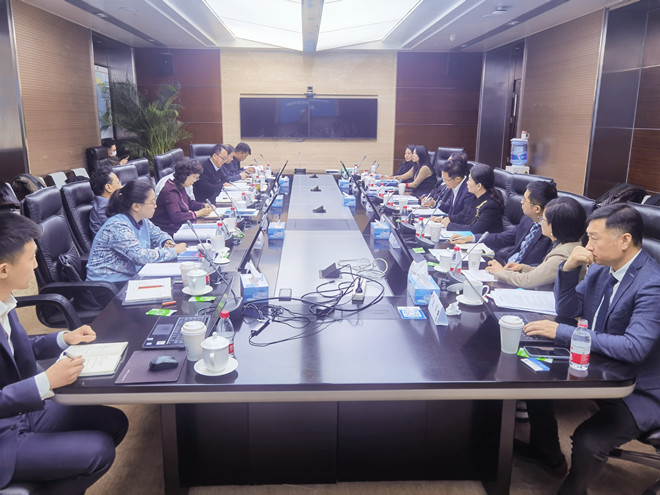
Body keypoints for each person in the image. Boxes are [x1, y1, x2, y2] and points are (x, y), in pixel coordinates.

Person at [520, 204, 660, 494]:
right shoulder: (603, 268)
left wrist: (564, 332)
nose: (588, 245)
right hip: (602, 367)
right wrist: (568, 268)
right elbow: (569, 309)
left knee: (588, 440)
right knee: (534, 377)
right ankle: (546, 450)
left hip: (641, 387)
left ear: (624, 240)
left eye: (594, 237)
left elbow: (634, 348)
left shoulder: (652, 284)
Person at [0, 212, 128, 492]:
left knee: (114, 422)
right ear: (3, 270)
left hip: (22, 411)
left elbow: (15, 349)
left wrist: (64, 338)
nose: (37, 265)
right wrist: (45, 381)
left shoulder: (5, 300)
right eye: (31, 258)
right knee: (98, 451)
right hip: (3, 436)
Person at [86, 180, 187, 285]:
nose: (155, 206)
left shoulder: (142, 220)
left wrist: (166, 242)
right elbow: (140, 257)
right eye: (152, 202)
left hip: (130, 278)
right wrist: (173, 251)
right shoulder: (117, 226)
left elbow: (159, 234)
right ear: (136, 206)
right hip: (107, 285)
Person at [485, 197, 586, 289]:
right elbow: (545, 273)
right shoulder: (568, 245)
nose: (540, 222)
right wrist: (523, 268)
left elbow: (527, 281)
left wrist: (500, 272)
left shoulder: (563, 255)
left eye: (543, 219)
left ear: (554, 226)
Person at [452, 180, 557, 266]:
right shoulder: (527, 219)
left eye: (525, 200)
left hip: (520, 276)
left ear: (537, 209)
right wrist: (471, 238)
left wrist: (506, 273)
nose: (521, 202)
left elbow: (540, 269)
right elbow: (502, 237)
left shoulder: (552, 233)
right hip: (506, 265)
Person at [434, 162, 504, 234]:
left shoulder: (490, 206)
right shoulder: (475, 197)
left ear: (479, 186)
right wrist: (445, 218)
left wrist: (449, 225)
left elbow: (475, 230)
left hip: (484, 240)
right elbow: (463, 216)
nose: (467, 182)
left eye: (469, 180)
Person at [151, 158, 213, 236]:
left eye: (196, 178)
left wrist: (203, 206)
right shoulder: (170, 191)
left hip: (179, 227)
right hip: (168, 231)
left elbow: (189, 203)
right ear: (184, 175)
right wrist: (198, 213)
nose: (195, 180)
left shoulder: (179, 186)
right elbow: (176, 216)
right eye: (194, 177)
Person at [89, 165, 121, 235]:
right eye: (118, 183)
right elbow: (120, 231)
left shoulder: (109, 203)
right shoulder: (103, 208)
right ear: (108, 187)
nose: (121, 187)